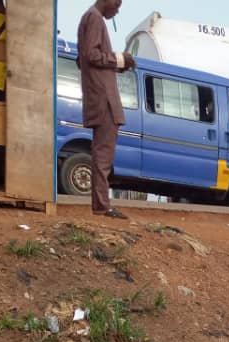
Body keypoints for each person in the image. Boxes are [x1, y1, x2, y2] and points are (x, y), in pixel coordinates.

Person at [77, 0, 137, 219]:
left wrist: (118, 64)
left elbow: (82, 59)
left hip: (99, 97)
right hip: (105, 100)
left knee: (102, 155)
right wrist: (120, 59)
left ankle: (102, 204)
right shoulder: (94, 18)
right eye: (118, 3)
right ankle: (102, 206)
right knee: (103, 156)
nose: (118, 9)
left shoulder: (89, 18)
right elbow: (91, 55)